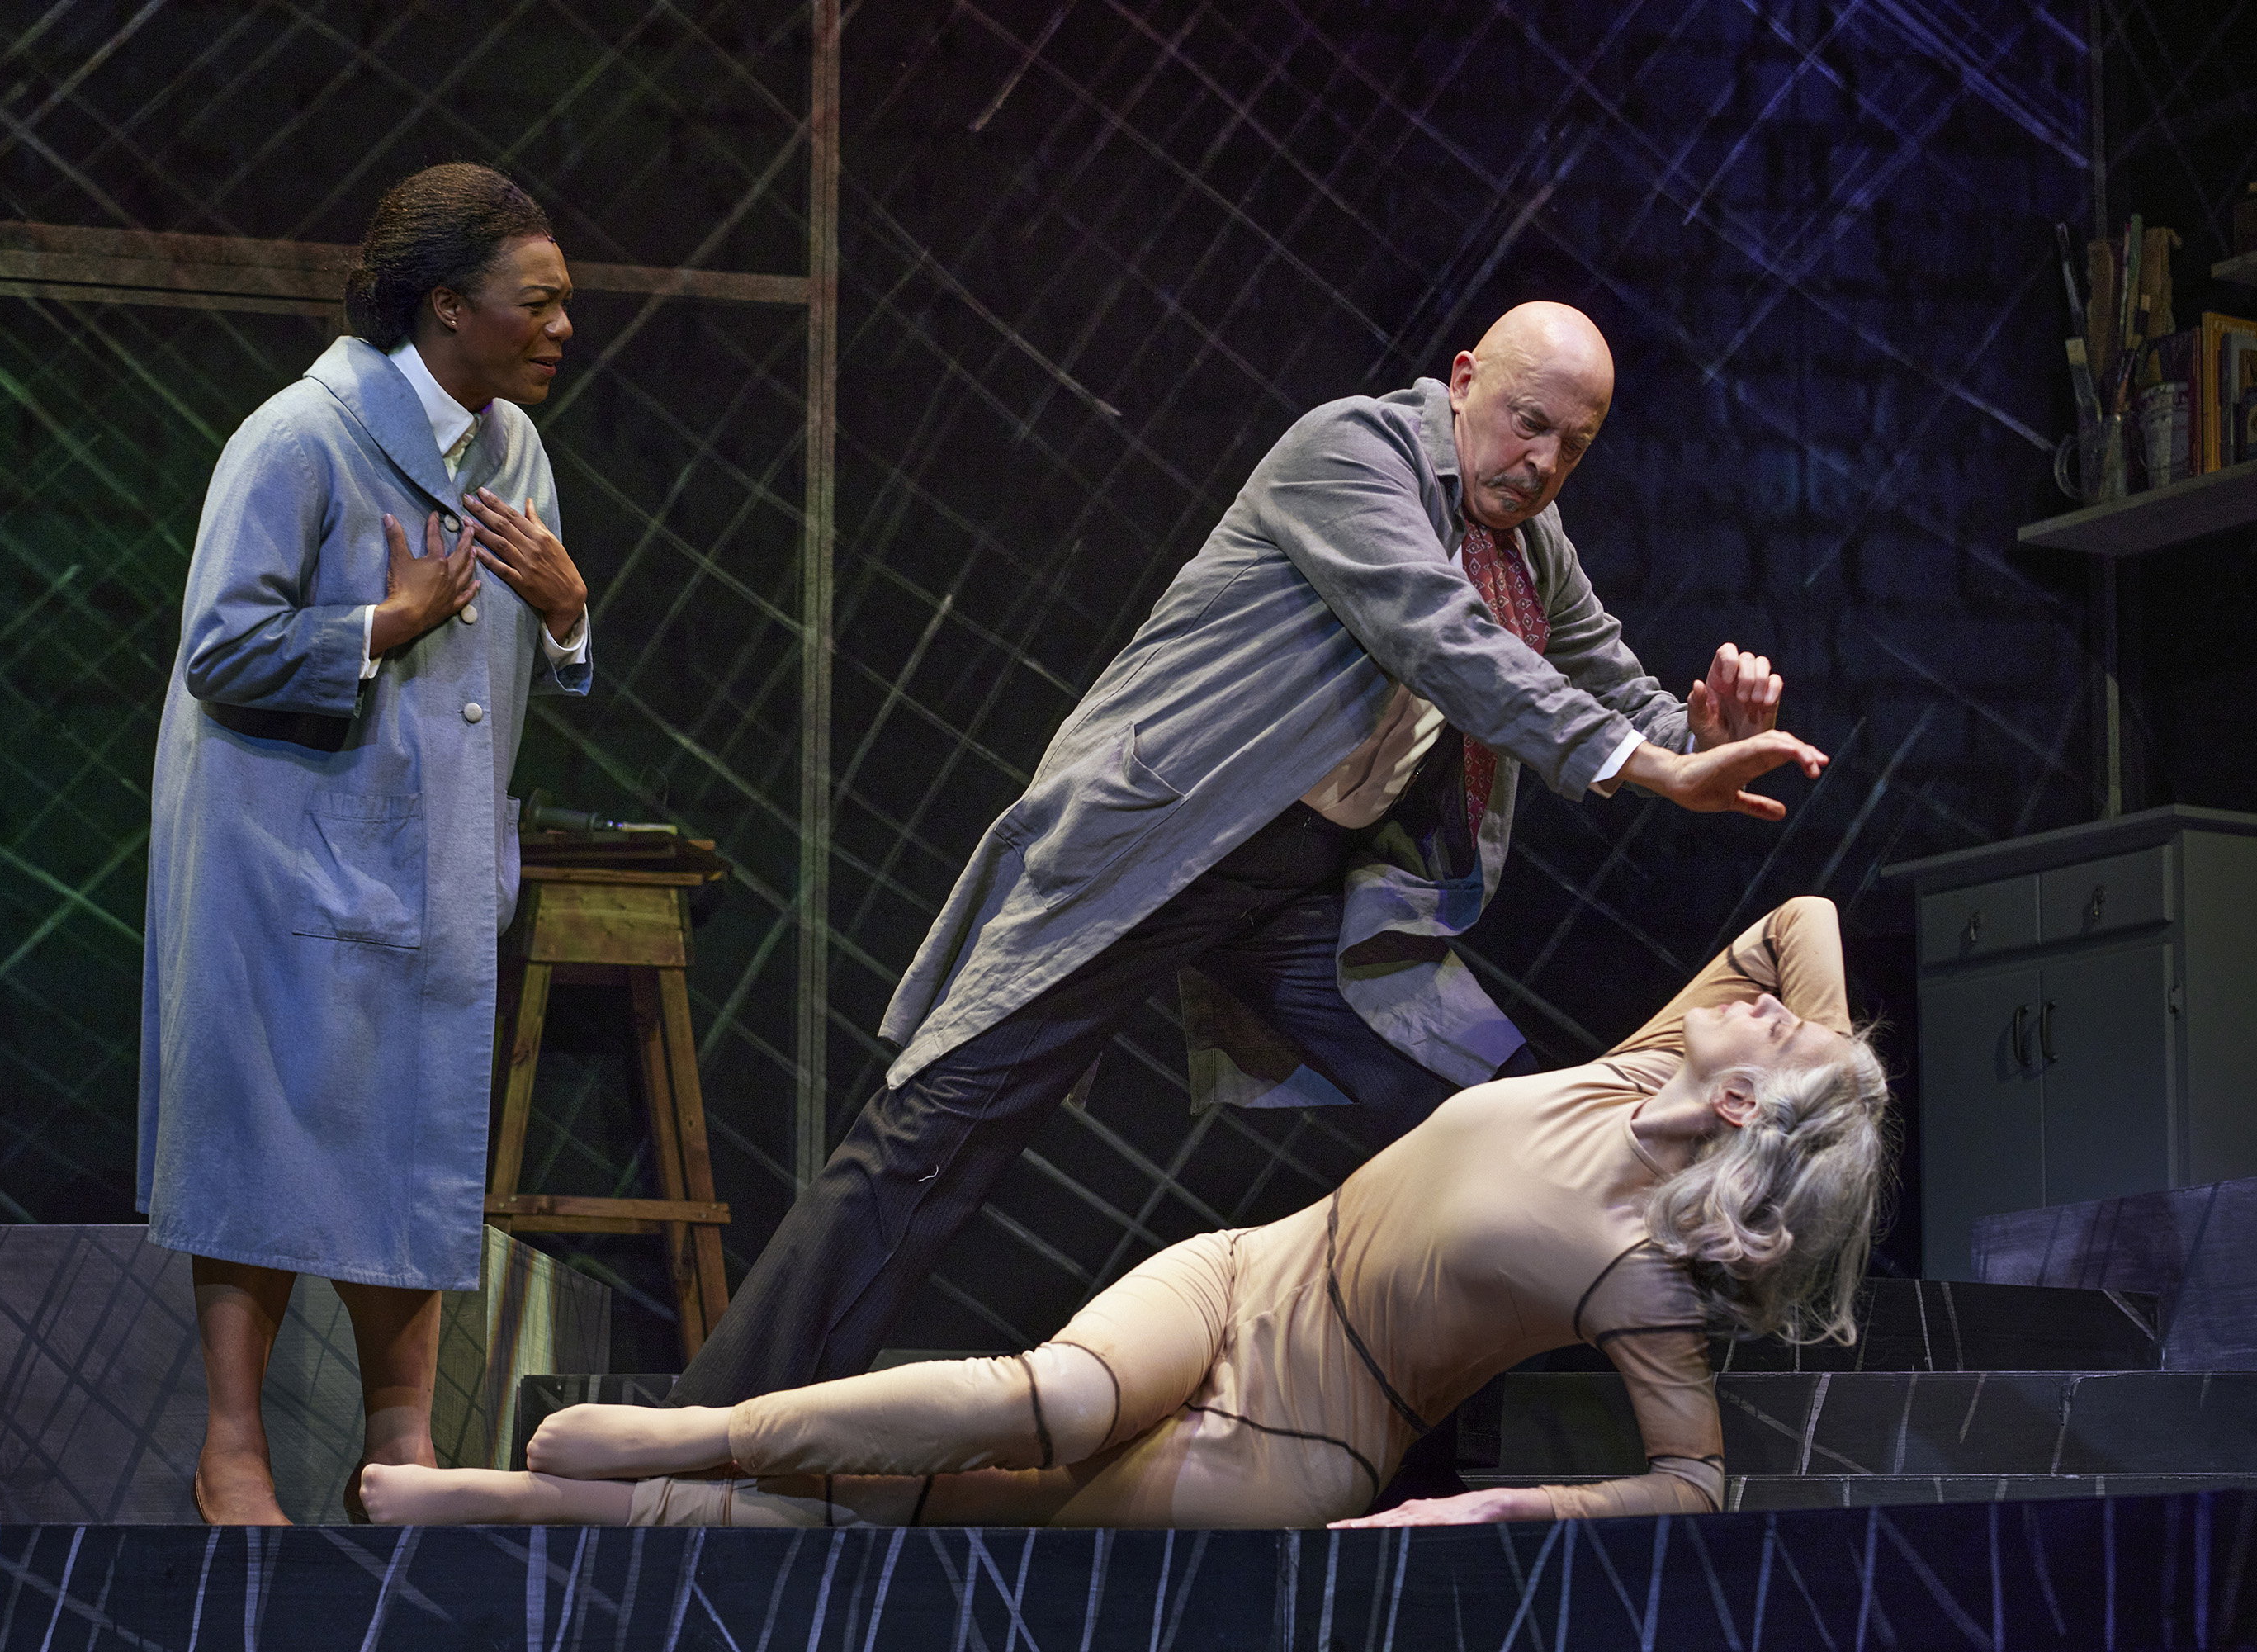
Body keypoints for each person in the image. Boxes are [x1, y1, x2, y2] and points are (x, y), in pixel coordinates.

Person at [665, 301, 1830, 1413]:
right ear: (1464, 381)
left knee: (1493, 1116)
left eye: (1572, 446)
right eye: (1529, 422)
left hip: (1306, 887)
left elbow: (1608, 680)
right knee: (935, 1138)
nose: (1542, 462)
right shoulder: (1353, 452)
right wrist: (1651, 763)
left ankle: (1422, 1447)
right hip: (1156, 843)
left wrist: (1703, 739)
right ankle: (711, 1433)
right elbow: (1442, 636)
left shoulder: (1530, 543)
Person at [362, 896, 1887, 1530]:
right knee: (1050, 1394)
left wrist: (1491, 1508)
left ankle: (523, 1503)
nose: (1762, 1002)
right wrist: (1827, 1082)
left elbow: (1696, 1484)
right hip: (1246, 1271)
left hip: (1302, 1429)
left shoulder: (1639, 1268)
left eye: (1778, 1031)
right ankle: (697, 1433)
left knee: (929, 1513)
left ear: (1744, 1110)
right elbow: (1799, 924)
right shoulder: (1650, 1063)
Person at [138, 162, 593, 1525]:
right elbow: (221, 646)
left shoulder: (515, 451)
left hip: (429, 854)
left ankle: (400, 1440)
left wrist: (569, 611)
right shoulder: (299, 437)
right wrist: (383, 623)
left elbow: (532, 645)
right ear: (447, 305)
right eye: (537, 302)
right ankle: (232, 1448)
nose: (561, 327)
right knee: (265, 1135)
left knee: (413, 1131)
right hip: (281, 854)